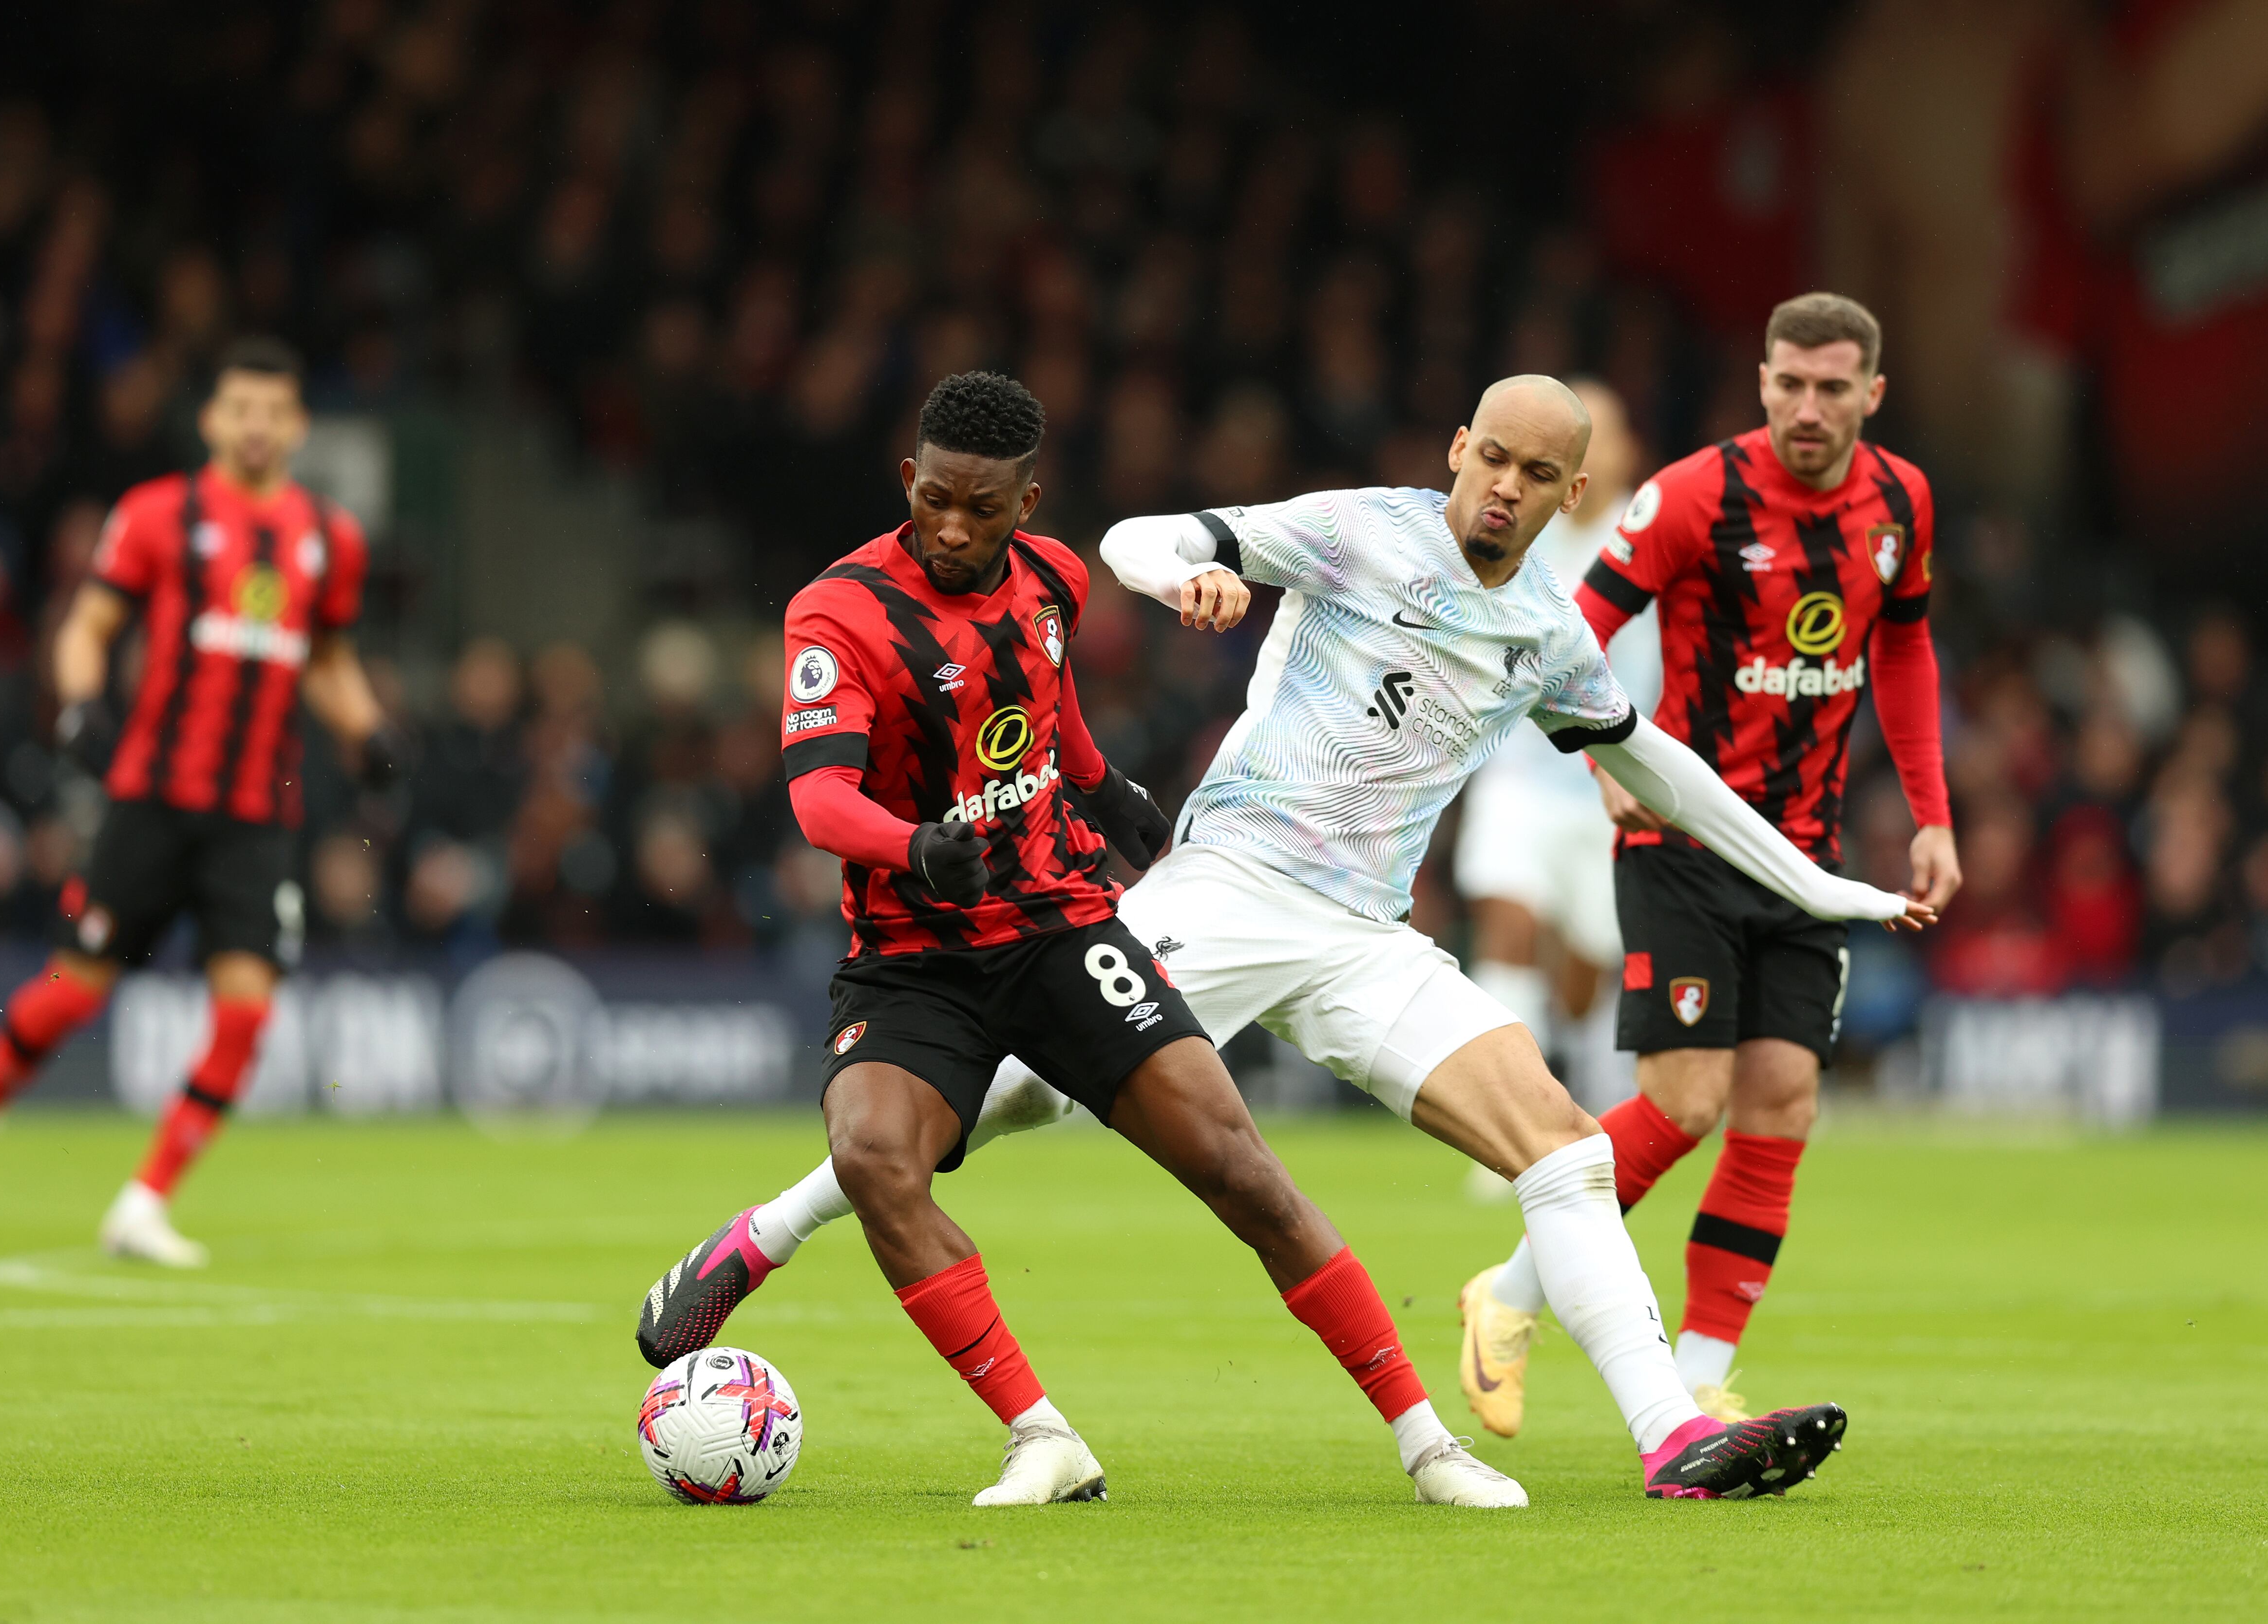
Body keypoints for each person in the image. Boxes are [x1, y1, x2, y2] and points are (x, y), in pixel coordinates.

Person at [640, 371, 1932, 1500]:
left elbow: (1657, 765)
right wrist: (1191, 575)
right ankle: (770, 1228)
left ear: (1573, 491)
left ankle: (1672, 1436)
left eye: (1538, 473)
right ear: (1458, 453)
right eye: (1491, 456)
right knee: (1022, 1094)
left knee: (1564, 1147)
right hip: (1231, 886)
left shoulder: (1548, 630)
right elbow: (1144, 536)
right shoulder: (1363, 532)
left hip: (1368, 937)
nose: (1504, 485)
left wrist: (1824, 887)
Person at [702, 370, 1523, 1511]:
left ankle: (1430, 1445)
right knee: (874, 1155)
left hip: (1061, 927)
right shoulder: (835, 611)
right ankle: (1040, 1437)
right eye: (935, 498)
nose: (952, 526)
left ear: (1026, 504)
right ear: (908, 480)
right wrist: (913, 845)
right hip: (912, 955)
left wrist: (1106, 788)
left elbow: (1046, 708)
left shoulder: (1055, 581)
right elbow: (819, 800)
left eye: (981, 509)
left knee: (1240, 1168)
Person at [1460, 293, 1961, 1436]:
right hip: (1683, 838)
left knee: (1782, 1097)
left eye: (1832, 388)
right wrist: (1595, 753)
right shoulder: (1691, 494)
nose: (1807, 406)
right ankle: (1513, 1293)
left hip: (1805, 855)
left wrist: (1930, 812)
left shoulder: (1901, 502)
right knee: (1683, 1099)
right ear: (1761, 380)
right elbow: (1572, 627)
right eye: (1788, 382)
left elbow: (1907, 641)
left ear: (1871, 396)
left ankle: (1696, 1373)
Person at [0, 338, 400, 1265]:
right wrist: (83, 703)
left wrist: (367, 732)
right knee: (72, 993)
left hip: (256, 812)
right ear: (212, 419)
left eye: (274, 411)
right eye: (240, 409)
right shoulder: (159, 515)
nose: (256, 426)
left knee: (247, 1013)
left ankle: (143, 1200)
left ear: (297, 425)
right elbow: (89, 624)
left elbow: (327, 657)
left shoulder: (330, 539)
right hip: (152, 799)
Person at [1452, 378, 1658, 1109]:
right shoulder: (1521, 531)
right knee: (1510, 923)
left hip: (1613, 790)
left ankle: (1578, 1102)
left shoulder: (1656, 535)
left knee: (1588, 970)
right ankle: (1500, 1112)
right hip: (1518, 775)